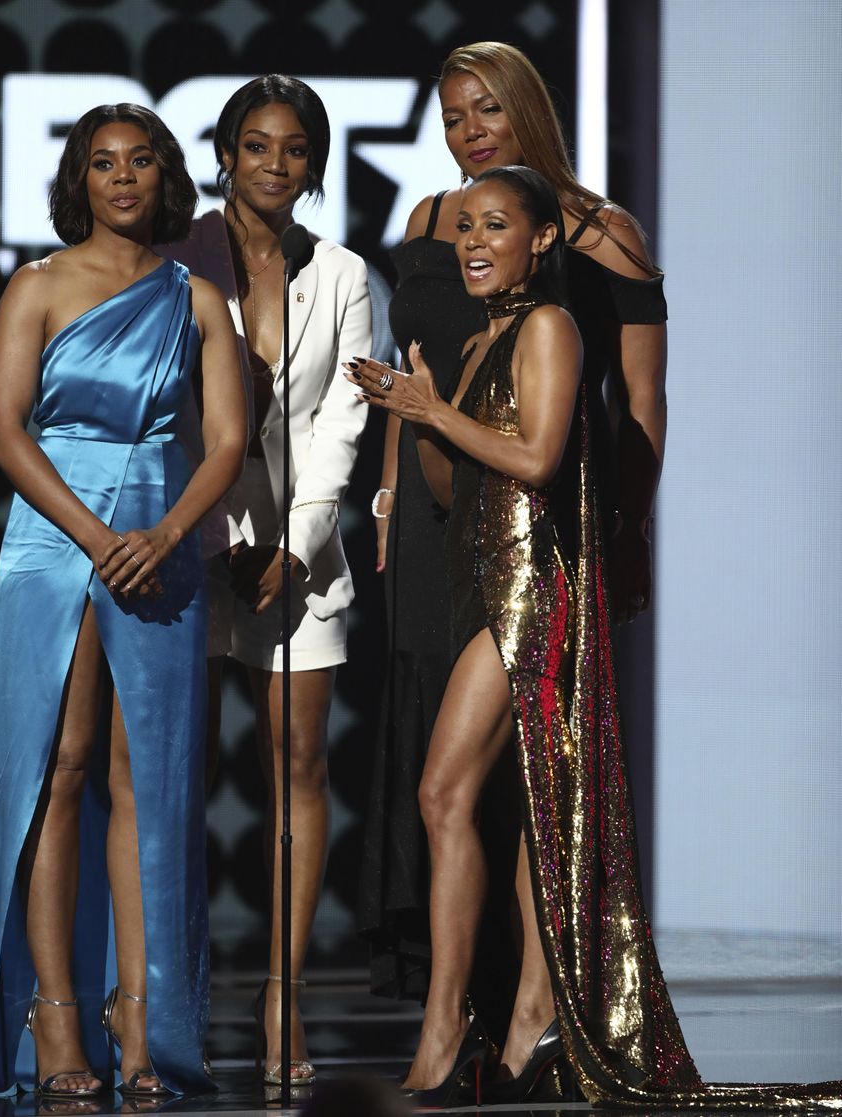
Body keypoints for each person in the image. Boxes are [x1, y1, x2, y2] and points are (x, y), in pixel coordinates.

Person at [348, 166, 841, 1109]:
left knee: (443, 790)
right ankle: (533, 1018)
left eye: (496, 226)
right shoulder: (488, 334)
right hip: (482, 586)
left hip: (535, 594)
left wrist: (435, 412)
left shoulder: (550, 327)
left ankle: (450, 1030)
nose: (474, 242)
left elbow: (538, 456)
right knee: (529, 809)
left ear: (542, 241)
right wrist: (418, 421)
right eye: (464, 230)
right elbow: (460, 493)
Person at [358, 39, 667, 1048]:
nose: (466, 133)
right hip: (434, 512)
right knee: (443, 772)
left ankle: (528, 1009)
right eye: (450, 117)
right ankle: (473, 1003)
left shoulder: (595, 233)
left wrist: (625, 532)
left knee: (532, 771)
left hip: (541, 527)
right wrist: (395, 491)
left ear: (526, 109)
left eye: (485, 110)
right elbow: (419, 387)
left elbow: (641, 403)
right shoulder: (425, 223)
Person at [0, 104, 246, 1098]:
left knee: (152, 787)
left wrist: (166, 536)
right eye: (103, 163)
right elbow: (3, 430)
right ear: (78, 179)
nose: (124, 179)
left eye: (141, 162)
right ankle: (55, 1024)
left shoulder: (197, 297)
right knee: (63, 769)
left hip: (159, 542)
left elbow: (224, 441)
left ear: (166, 175)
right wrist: (95, 540)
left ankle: (146, 1029)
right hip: (54, 548)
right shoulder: (37, 286)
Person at [160, 75, 371, 1086]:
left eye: (294, 149)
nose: (274, 165)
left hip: (301, 551)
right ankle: (161, 984)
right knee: (168, 769)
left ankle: (281, 987)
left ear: (313, 166)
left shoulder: (341, 274)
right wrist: (219, 534)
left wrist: (296, 537)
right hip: (195, 540)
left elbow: (343, 418)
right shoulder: (176, 260)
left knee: (296, 766)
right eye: (256, 146)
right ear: (226, 155)